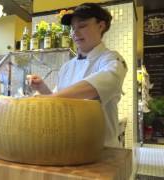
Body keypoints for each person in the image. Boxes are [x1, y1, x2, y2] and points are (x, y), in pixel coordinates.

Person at [28, 3, 127, 148]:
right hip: (69, 147)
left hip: (102, 150)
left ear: (101, 26)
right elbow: (59, 101)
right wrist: (43, 89)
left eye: (82, 26)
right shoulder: (67, 66)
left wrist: (49, 98)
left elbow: (95, 87)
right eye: (73, 28)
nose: (75, 32)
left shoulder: (112, 59)